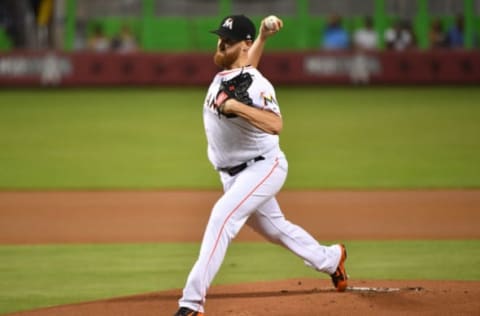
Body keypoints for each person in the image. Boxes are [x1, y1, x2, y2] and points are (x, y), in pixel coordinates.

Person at [174, 14, 348, 316]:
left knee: (221, 217)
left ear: (243, 43)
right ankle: (331, 259)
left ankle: (191, 304)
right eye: (220, 38)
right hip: (233, 174)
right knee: (276, 229)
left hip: (262, 167)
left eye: (228, 40)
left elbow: (276, 123)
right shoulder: (236, 73)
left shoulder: (257, 84)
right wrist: (264, 38)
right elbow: (246, 66)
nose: (221, 43)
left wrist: (237, 107)